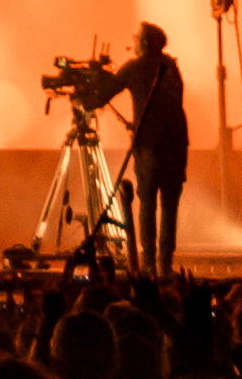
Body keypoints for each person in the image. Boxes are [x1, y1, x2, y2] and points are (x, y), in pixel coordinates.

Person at [80, 23, 188, 273]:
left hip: (150, 144)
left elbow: (103, 96)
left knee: (147, 202)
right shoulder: (171, 66)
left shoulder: (135, 67)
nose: (133, 42)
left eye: (136, 38)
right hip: (177, 144)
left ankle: (148, 263)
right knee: (170, 205)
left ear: (145, 43)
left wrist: (85, 95)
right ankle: (165, 265)